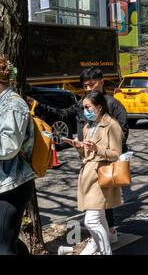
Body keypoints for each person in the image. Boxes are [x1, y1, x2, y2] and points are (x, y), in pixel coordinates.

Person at [27, 67, 129, 244]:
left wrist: (101, 147)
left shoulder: (112, 104)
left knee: (99, 201)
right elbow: (63, 113)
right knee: (97, 201)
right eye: (85, 86)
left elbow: (123, 132)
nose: (89, 88)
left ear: (102, 82)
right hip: (87, 158)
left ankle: (105, 237)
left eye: (92, 84)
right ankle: (106, 235)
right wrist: (38, 105)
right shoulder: (83, 103)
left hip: (106, 160)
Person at [64, 91, 123, 255]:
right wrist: (79, 147)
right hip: (88, 176)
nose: (85, 111)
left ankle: (105, 252)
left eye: (88, 107)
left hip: (102, 175)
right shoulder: (87, 127)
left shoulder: (112, 125)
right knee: (99, 217)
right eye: (84, 108)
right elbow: (87, 153)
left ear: (99, 106)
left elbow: (116, 153)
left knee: (91, 220)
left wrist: (98, 149)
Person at [0, 55, 35, 255]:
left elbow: (8, 146)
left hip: (12, 187)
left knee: (4, 246)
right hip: (4, 183)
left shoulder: (13, 105)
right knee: (7, 242)